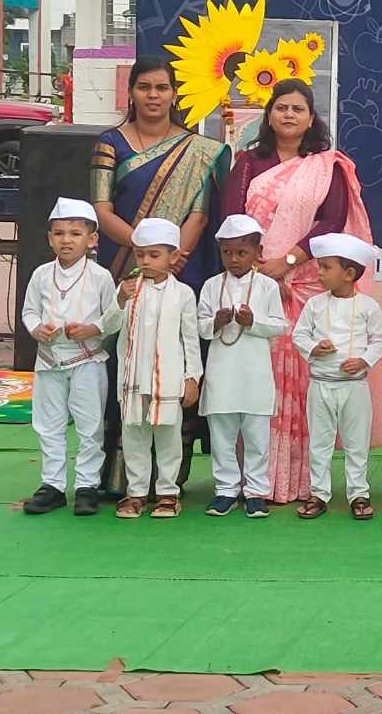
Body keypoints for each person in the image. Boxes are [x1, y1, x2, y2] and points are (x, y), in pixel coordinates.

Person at [223, 78, 382, 503]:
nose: (289, 115)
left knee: (302, 382)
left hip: (303, 283)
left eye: (298, 108)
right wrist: (258, 266)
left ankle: (302, 482)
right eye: (281, 107)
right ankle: (256, 480)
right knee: (260, 380)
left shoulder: (326, 166)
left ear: (311, 117)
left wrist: (287, 261)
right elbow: (232, 219)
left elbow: (331, 220)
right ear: (268, 115)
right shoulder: (248, 163)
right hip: (254, 282)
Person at [92, 54, 228, 493]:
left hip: (180, 269)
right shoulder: (110, 143)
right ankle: (119, 475)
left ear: (174, 94)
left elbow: (199, 214)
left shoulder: (197, 150)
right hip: (124, 265)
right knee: (124, 358)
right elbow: (101, 210)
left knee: (176, 355)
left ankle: (170, 477)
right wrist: (146, 251)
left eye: (162, 87)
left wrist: (171, 257)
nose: (153, 95)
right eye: (144, 87)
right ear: (131, 92)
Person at [102, 218, 202, 520]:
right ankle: (136, 493)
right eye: (140, 254)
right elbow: (109, 326)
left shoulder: (183, 293)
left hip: (168, 379)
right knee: (134, 436)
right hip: (133, 377)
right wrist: (120, 299)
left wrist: (192, 378)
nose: (145, 261)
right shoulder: (128, 289)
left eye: (154, 255)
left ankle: (168, 493)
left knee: (169, 437)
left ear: (173, 257)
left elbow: (190, 339)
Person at [21, 198, 115, 517]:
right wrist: (36, 329)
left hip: (87, 359)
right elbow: (29, 311)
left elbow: (113, 316)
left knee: (90, 426)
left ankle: (87, 486)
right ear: (49, 238)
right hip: (49, 360)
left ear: (92, 239)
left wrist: (92, 329)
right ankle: (53, 485)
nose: (66, 240)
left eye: (75, 233)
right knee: (48, 425)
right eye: (59, 233)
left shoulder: (100, 276)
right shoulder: (41, 274)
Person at [292, 233, 382, 522]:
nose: (319, 273)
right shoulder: (314, 304)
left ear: (348, 274)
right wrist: (315, 347)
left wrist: (363, 361)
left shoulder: (368, 306)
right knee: (319, 442)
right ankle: (318, 494)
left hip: (354, 385)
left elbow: (379, 341)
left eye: (325, 267)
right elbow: (299, 335)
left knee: (356, 442)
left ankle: (359, 494)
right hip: (320, 384)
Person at [197, 214, 287, 519]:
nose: (233, 259)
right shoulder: (211, 285)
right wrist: (216, 321)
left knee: (257, 437)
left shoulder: (267, 286)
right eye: (227, 252)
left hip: (255, 372)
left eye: (241, 252)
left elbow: (279, 326)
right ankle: (225, 490)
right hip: (221, 371)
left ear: (257, 252)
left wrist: (253, 322)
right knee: (222, 435)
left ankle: (256, 492)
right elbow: (199, 327)